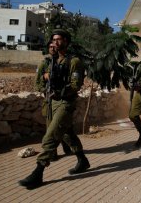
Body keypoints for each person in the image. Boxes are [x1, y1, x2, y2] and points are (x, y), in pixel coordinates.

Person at [19, 29, 90, 189]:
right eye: (53, 40)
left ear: (66, 41)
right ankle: (82, 160)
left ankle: (38, 172)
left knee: (50, 136)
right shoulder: (52, 61)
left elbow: (75, 85)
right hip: (52, 102)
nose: (55, 42)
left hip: (65, 103)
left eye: (58, 39)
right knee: (66, 133)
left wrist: (60, 91)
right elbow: (42, 82)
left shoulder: (74, 62)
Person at [34, 40, 72, 160]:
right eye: (50, 47)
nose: (52, 48)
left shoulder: (63, 61)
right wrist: (45, 88)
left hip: (62, 99)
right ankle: (52, 153)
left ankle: (68, 147)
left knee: (64, 126)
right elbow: (37, 82)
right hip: (49, 100)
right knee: (50, 126)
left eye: (54, 46)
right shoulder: (44, 63)